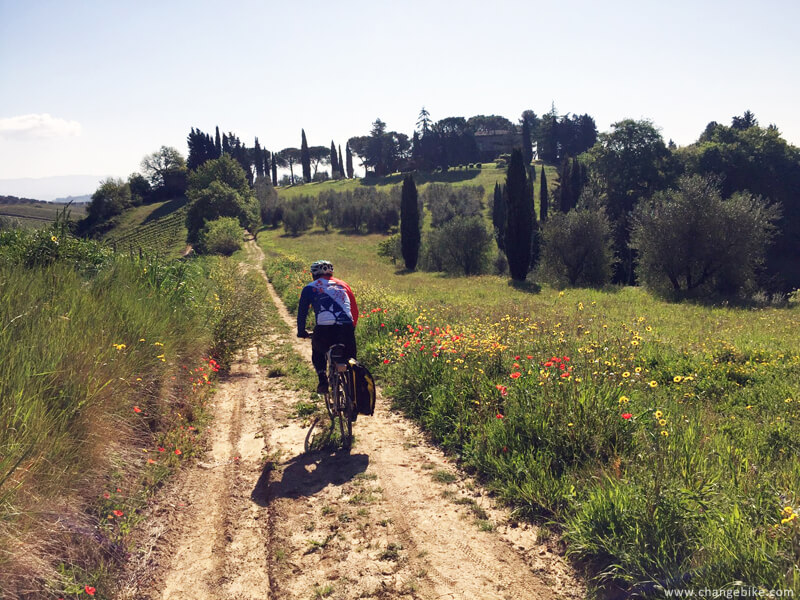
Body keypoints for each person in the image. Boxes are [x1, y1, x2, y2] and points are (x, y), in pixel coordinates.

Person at [297, 260, 359, 394]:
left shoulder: (309, 288)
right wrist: (351, 328)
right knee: (351, 359)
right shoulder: (344, 285)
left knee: (318, 350)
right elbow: (354, 310)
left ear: (313, 275)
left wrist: (301, 331)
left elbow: (302, 312)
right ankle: (353, 388)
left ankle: (322, 380)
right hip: (346, 328)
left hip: (324, 330)